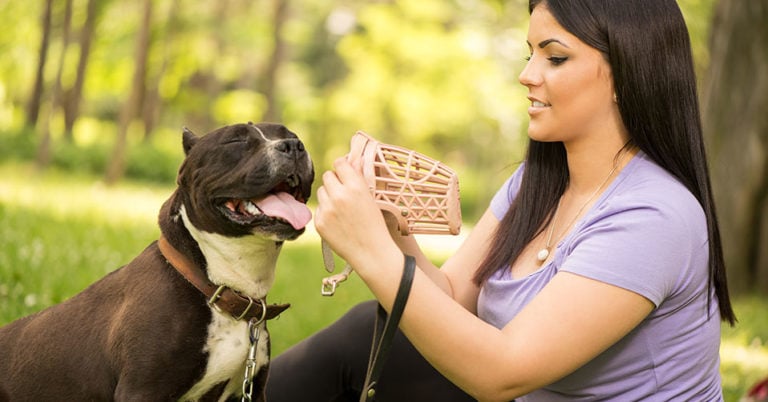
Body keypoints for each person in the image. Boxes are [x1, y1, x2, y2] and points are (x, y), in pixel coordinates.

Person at [266, 0, 736, 400]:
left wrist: (370, 251)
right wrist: (390, 231)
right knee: (366, 331)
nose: (526, 75)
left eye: (554, 58)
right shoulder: (540, 181)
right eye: (529, 53)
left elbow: (501, 373)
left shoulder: (654, 216)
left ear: (624, 73)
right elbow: (450, 298)